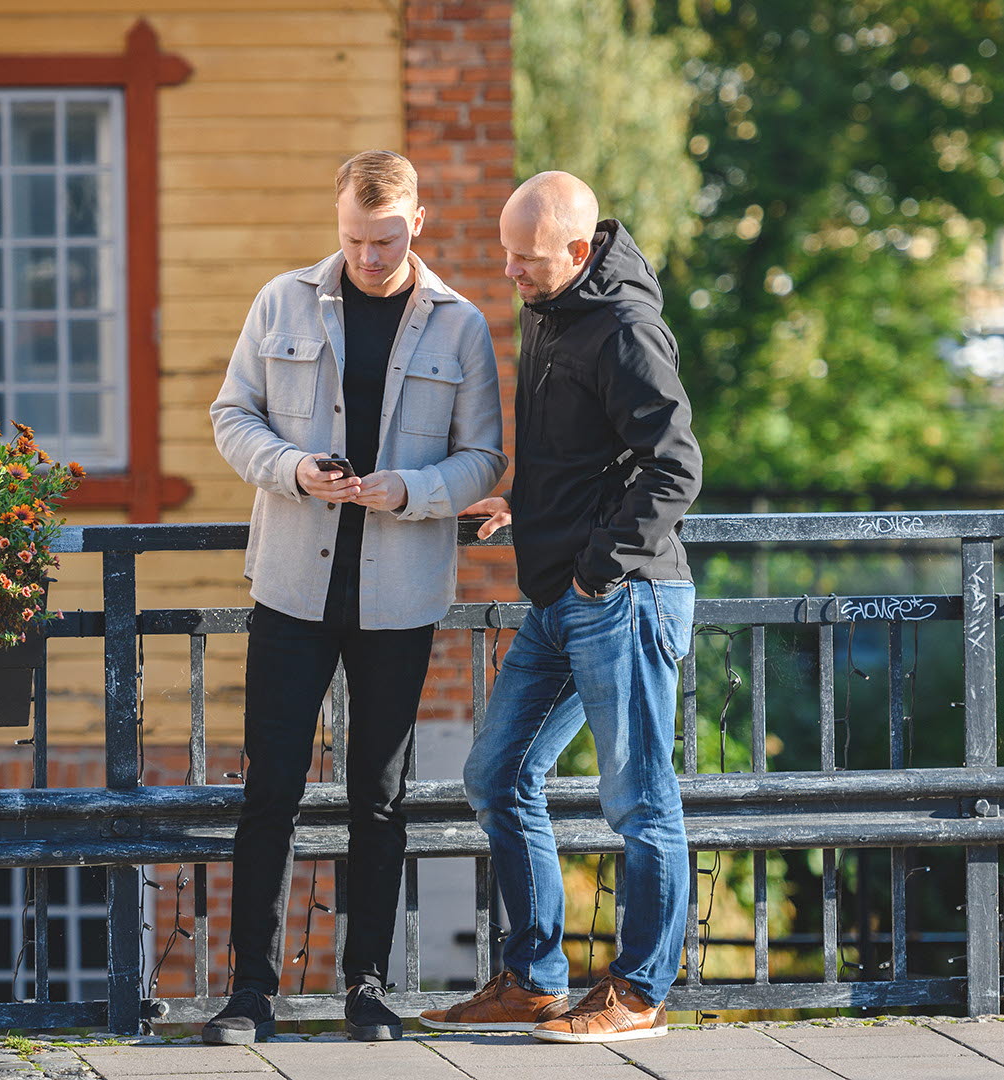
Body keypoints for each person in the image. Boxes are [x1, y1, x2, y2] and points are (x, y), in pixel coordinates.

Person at [207, 150, 507, 1044]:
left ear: (417, 223)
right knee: (272, 793)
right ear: (336, 222)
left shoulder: (462, 326)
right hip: (293, 587)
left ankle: (366, 988)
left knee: (380, 799)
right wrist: (295, 469)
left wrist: (410, 491)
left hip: (400, 597)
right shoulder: (281, 301)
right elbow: (233, 416)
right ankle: (249, 992)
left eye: (384, 239)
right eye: (353, 239)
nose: (369, 257)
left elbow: (486, 458)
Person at [419, 171, 701, 1044]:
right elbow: (577, 453)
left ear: (580, 252)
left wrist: (596, 571)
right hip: (560, 597)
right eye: (507, 253)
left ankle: (640, 993)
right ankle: (535, 980)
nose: (510, 272)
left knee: (641, 803)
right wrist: (523, 509)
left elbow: (675, 467)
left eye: (529, 260)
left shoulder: (625, 329)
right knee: (496, 775)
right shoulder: (552, 307)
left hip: (625, 597)